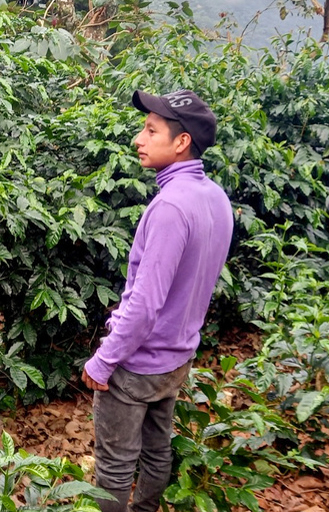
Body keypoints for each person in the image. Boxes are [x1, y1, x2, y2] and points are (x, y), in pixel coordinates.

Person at [81, 89, 233, 512]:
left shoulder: (169, 207)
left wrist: (104, 360)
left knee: (113, 467)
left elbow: (145, 305)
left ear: (181, 142)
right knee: (156, 450)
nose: (138, 139)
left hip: (137, 365)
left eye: (151, 130)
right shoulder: (216, 199)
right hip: (176, 358)